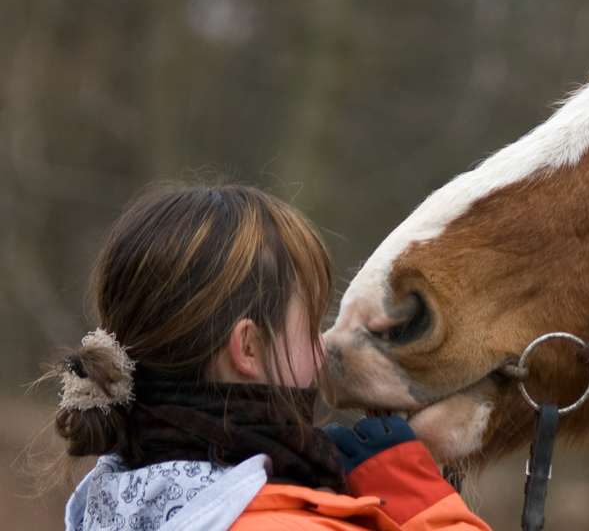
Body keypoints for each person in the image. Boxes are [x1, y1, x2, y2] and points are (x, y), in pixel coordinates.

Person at [47, 183, 491, 531]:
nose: (323, 350)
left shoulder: (111, 506)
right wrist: (422, 505)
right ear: (249, 348)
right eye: (311, 323)